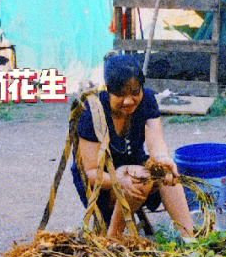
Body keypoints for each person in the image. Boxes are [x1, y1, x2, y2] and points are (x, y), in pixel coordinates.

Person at [70, 55, 194, 239]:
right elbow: (89, 173)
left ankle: (189, 238)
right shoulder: (92, 112)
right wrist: (117, 180)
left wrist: (162, 158)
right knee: (139, 178)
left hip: (133, 167)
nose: (129, 101)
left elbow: (155, 139)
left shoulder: (147, 100)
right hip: (100, 185)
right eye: (120, 94)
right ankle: (113, 239)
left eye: (135, 92)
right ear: (108, 90)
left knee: (166, 172)